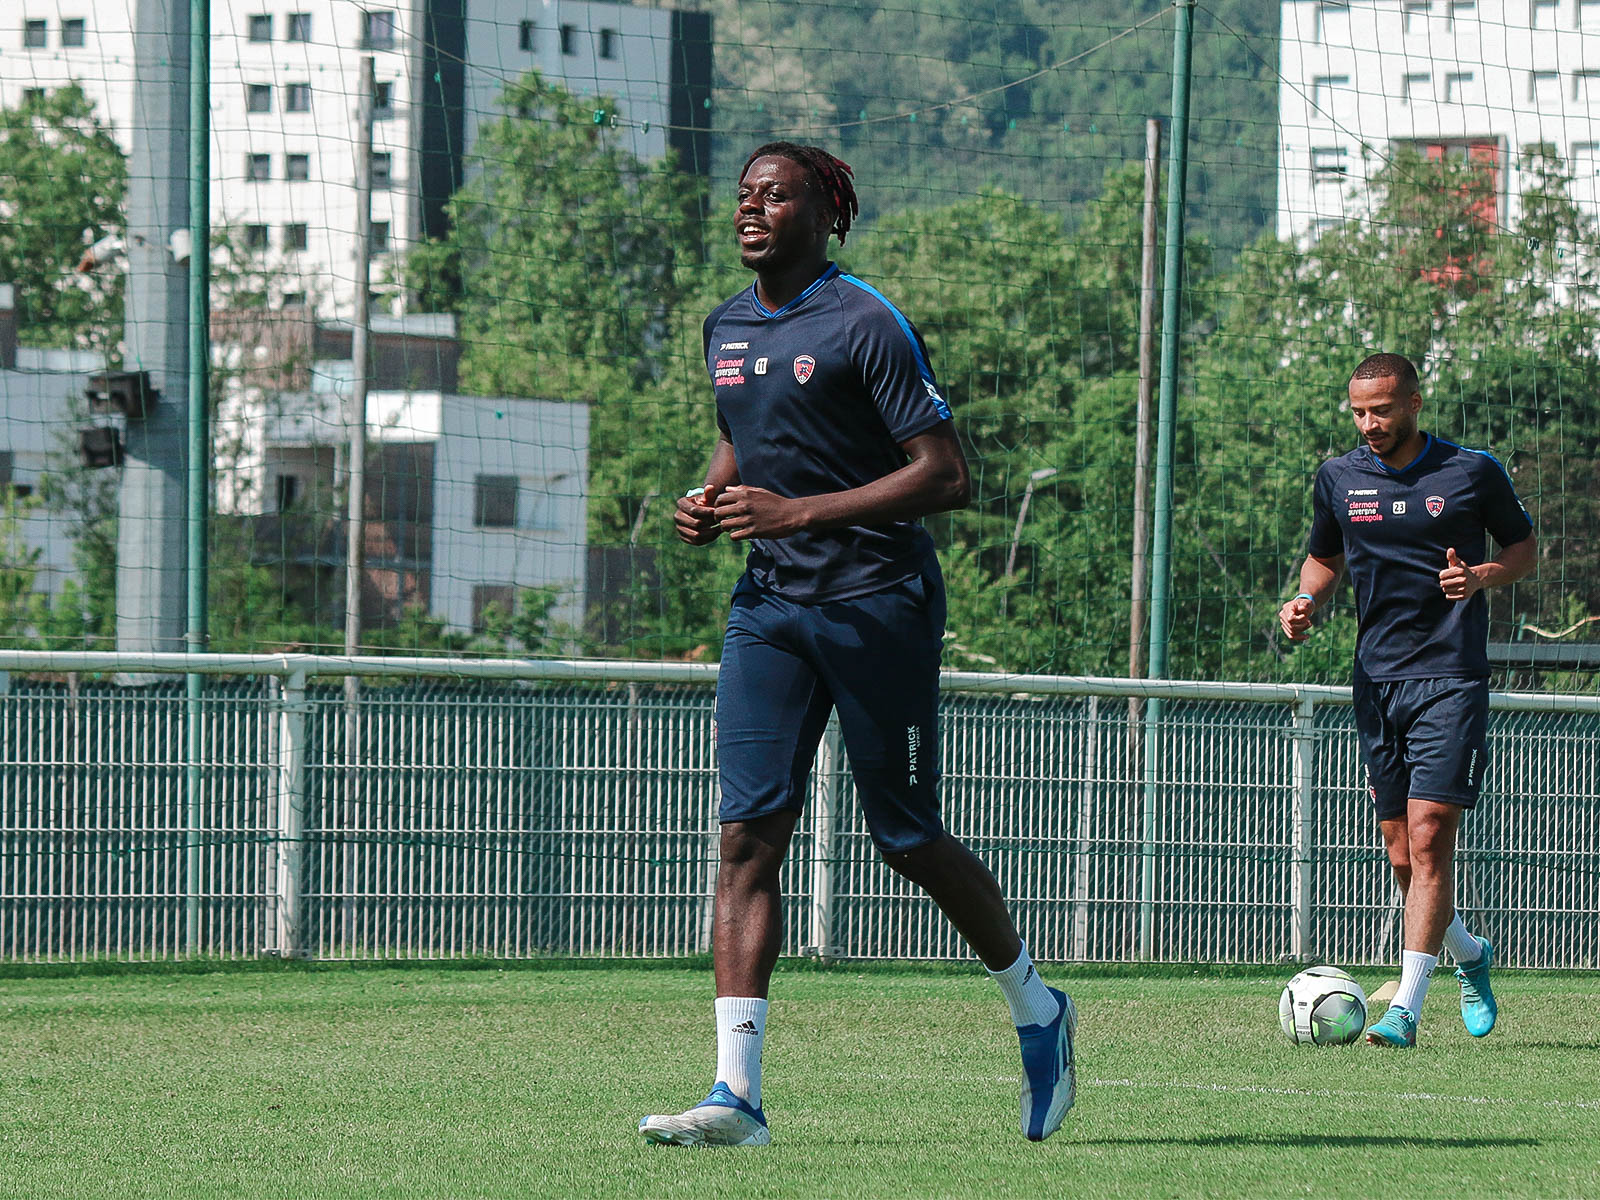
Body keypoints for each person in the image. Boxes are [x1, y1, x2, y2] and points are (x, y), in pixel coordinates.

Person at [638, 142, 1076, 1146]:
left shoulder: (863, 321)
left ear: (826, 213)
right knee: (748, 835)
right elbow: (741, 435)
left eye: (775, 194)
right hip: (770, 613)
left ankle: (1036, 1006)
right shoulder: (728, 325)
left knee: (904, 836)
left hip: (877, 602)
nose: (751, 208)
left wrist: (801, 515)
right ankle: (734, 1098)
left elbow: (946, 476)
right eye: (743, 193)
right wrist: (711, 497)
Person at [1279, 353, 1536, 1048]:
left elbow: (1523, 549)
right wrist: (1305, 601)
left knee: (1429, 835)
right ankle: (1471, 956)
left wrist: (1480, 576)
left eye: (1382, 410)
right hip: (1376, 678)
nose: (1369, 424)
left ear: (1414, 404)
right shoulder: (1338, 477)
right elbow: (1324, 559)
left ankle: (1406, 1013)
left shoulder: (1471, 471)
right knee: (1401, 854)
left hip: (1450, 675)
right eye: (1359, 412)